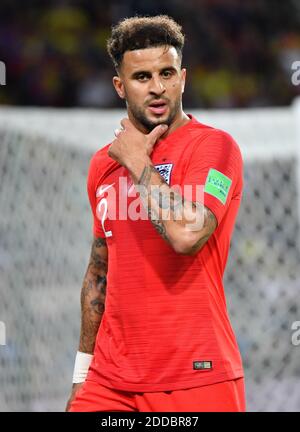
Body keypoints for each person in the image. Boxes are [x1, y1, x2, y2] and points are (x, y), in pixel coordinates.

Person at [66, 15, 246, 412]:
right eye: (142, 77)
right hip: (110, 382)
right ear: (120, 86)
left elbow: (186, 236)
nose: (158, 87)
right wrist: (82, 376)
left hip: (197, 375)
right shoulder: (102, 166)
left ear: (183, 77)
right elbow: (99, 272)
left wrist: (136, 161)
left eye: (166, 73)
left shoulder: (215, 149)